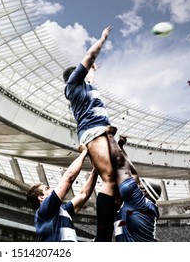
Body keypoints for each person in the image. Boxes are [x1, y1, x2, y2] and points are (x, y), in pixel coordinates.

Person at [63, 25, 118, 241]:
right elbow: (89, 55)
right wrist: (103, 37)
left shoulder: (87, 86)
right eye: (85, 72)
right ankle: (102, 239)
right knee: (110, 178)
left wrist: (94, 70)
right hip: (93, 132)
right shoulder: (72, 85)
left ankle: (111, 231)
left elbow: (90, 77)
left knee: (120, 183)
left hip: (104, 131)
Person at [26, 145, 98, 242]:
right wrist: (84, 152)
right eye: (47, 188)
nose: (51, 189)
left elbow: (84, 194)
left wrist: (96, 168)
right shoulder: (44, 211)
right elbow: (68, 178)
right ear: (41, 198)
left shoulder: (63, 211)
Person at [105, 127, 162, 242]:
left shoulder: (138, 202)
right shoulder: (142, 205)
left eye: (141, 184)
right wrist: (120, 146)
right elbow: (133, 172)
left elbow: (122, 165)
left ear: (145, 191)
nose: (138, 184)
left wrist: (110, 136)